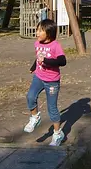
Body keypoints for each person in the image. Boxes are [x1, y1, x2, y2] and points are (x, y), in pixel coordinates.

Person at [24, 18, 66, 146]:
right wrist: (33, 67)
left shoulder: (55, 46)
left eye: (40, 31)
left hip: (52, 81)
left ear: (49, 33)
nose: (37, 33)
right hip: (39, 77)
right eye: (37, 30)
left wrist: (46, 61)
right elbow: (38, 58)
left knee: (52, 108)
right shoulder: (37, 44)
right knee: (30, 96)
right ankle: (35, 117)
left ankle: (58, 133)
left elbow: (62, 61)